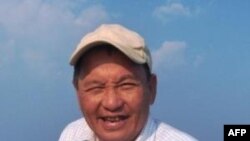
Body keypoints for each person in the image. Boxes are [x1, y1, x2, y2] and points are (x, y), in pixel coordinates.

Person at [59, 24, 197, 141]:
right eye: (96, 87)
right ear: (78, 93)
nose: (111, 103)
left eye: (126, 85)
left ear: (151, 88)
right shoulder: (72, 134)